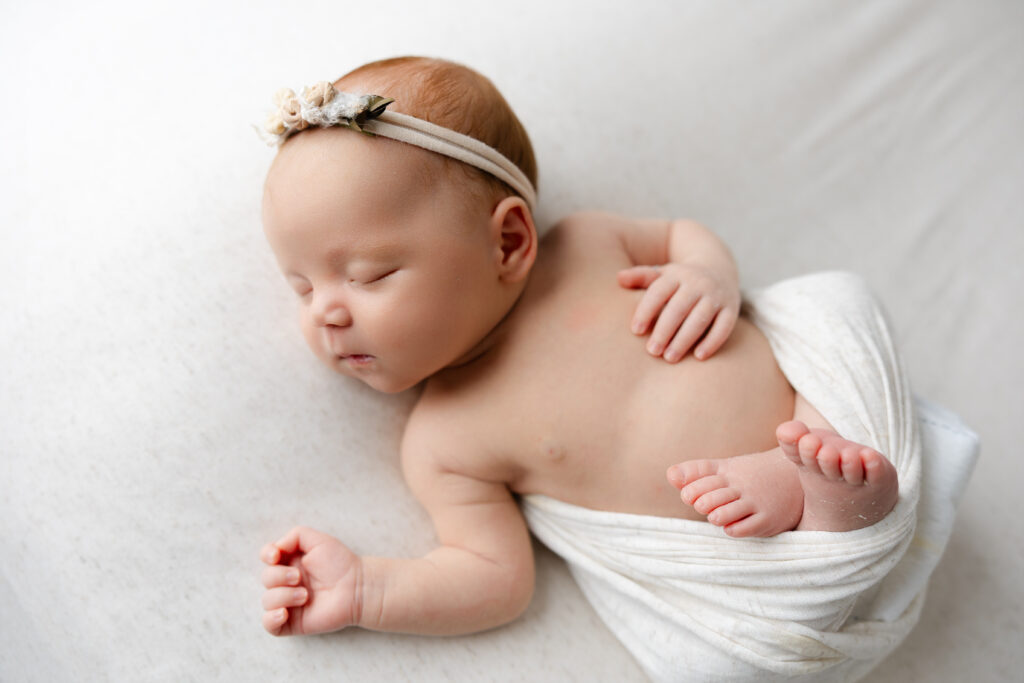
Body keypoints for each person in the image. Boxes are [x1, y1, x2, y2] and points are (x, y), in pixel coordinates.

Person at [257, 56, 899, 639]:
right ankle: (827, 517)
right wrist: (367, 589)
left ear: (508, 242)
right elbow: (492, 578)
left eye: (368, 275)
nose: (326, 314)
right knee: (709, 659)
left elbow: (682, 234)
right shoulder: (443, 442)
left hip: (813, 409)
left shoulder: (589, 245)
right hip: (738, 558)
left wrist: (708, 276)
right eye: (302, 288)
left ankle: (830, 481)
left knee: (840, 302)